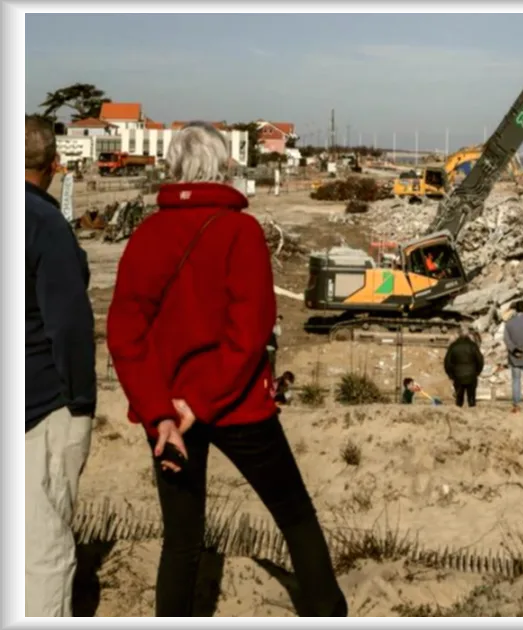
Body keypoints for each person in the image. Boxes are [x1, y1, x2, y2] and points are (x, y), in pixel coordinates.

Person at [105, 122, 346, 618]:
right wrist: (200, 402)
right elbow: (249, 332)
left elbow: (126, 334)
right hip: (236, 403)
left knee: (181, 540)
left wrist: (160, 413)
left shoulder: (147, 234)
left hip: (169, 414)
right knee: (294, 515)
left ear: (173, 167)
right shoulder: (240, 230)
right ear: (223, 167)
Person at [25, 115, 97, 618]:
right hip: (40, 407)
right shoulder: (45, 224)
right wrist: (80, 400)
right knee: (44, 552)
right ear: (53, 165)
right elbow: (68, 324)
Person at [444, 327, 485, 408]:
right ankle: (472, 412)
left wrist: (451, 375)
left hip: (458, 376)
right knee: (472, 399)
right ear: (468, 335)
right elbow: (480, 360)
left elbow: (447, 362)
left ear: (459, 335)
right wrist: (477, 372)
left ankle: (459, 412)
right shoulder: (473, 346)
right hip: (471, 375)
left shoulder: (453, 346)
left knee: (459, 399)